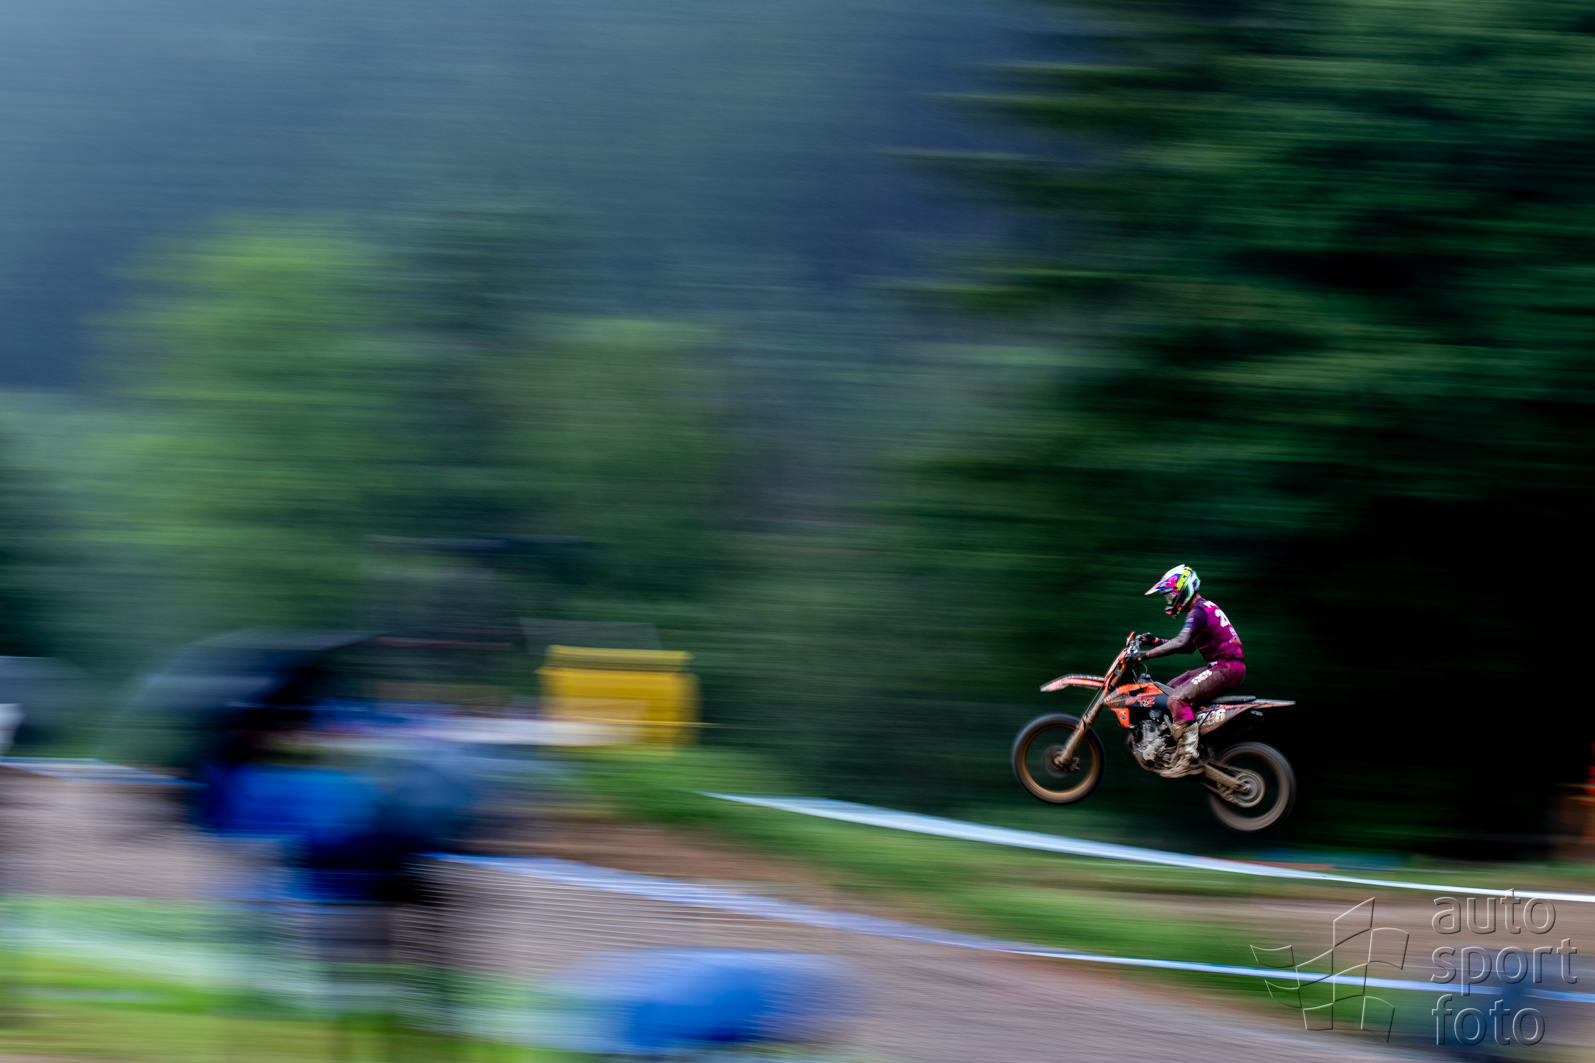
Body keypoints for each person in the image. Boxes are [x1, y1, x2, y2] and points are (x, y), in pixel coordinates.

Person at [1125, 564, 1244, 777]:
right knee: (1168, 689)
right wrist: (1155, 641)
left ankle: (1189, 757)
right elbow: (1187, 646)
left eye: (1170, 594)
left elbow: (1181, 642)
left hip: (1226, 667)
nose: (1169, 600)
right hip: (1222, 666)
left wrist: (1144, 655)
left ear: (1183, 589)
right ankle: (1174, 743)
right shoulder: (1202, 608)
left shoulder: (1198, 611)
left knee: (1176, 699)